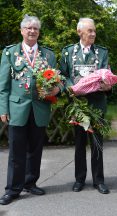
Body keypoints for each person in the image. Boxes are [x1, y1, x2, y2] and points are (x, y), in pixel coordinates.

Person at [0, 15, 61, 205]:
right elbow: (3, 85)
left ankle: (30, 182)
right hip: (17, 107)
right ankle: (13, 189)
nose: (32, 31)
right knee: (16, 152)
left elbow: (59, 80)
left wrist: (57, 89)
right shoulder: (10, 53)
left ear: (39, 32)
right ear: (21, 31)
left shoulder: (48, 55)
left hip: (40, 108)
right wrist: (3, 108)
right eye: (28, 28)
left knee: (35, 150)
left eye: (35, 28)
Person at [59, 18, 111, 194]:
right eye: (90, 31)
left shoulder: (102, 52)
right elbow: (62, 75)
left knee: (97, 143)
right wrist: (70, 87)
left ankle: (99, 180)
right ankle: (79, 179)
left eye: (94, 31)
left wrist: (106, 84)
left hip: (96, 104)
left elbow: (106, 74)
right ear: (79, 32)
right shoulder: (67, 52)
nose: (93, 34)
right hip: (78, 105)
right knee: (79, 144)